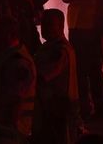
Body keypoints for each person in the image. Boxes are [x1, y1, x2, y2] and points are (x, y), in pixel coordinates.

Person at [32, 8, 77, 144]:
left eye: (49, 24)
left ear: (61, 26)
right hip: (53, 104)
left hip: (57, 105)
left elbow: (48, 74)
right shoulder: (52, 47)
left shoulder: (59, 50)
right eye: (43, 24)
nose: (44, 28)